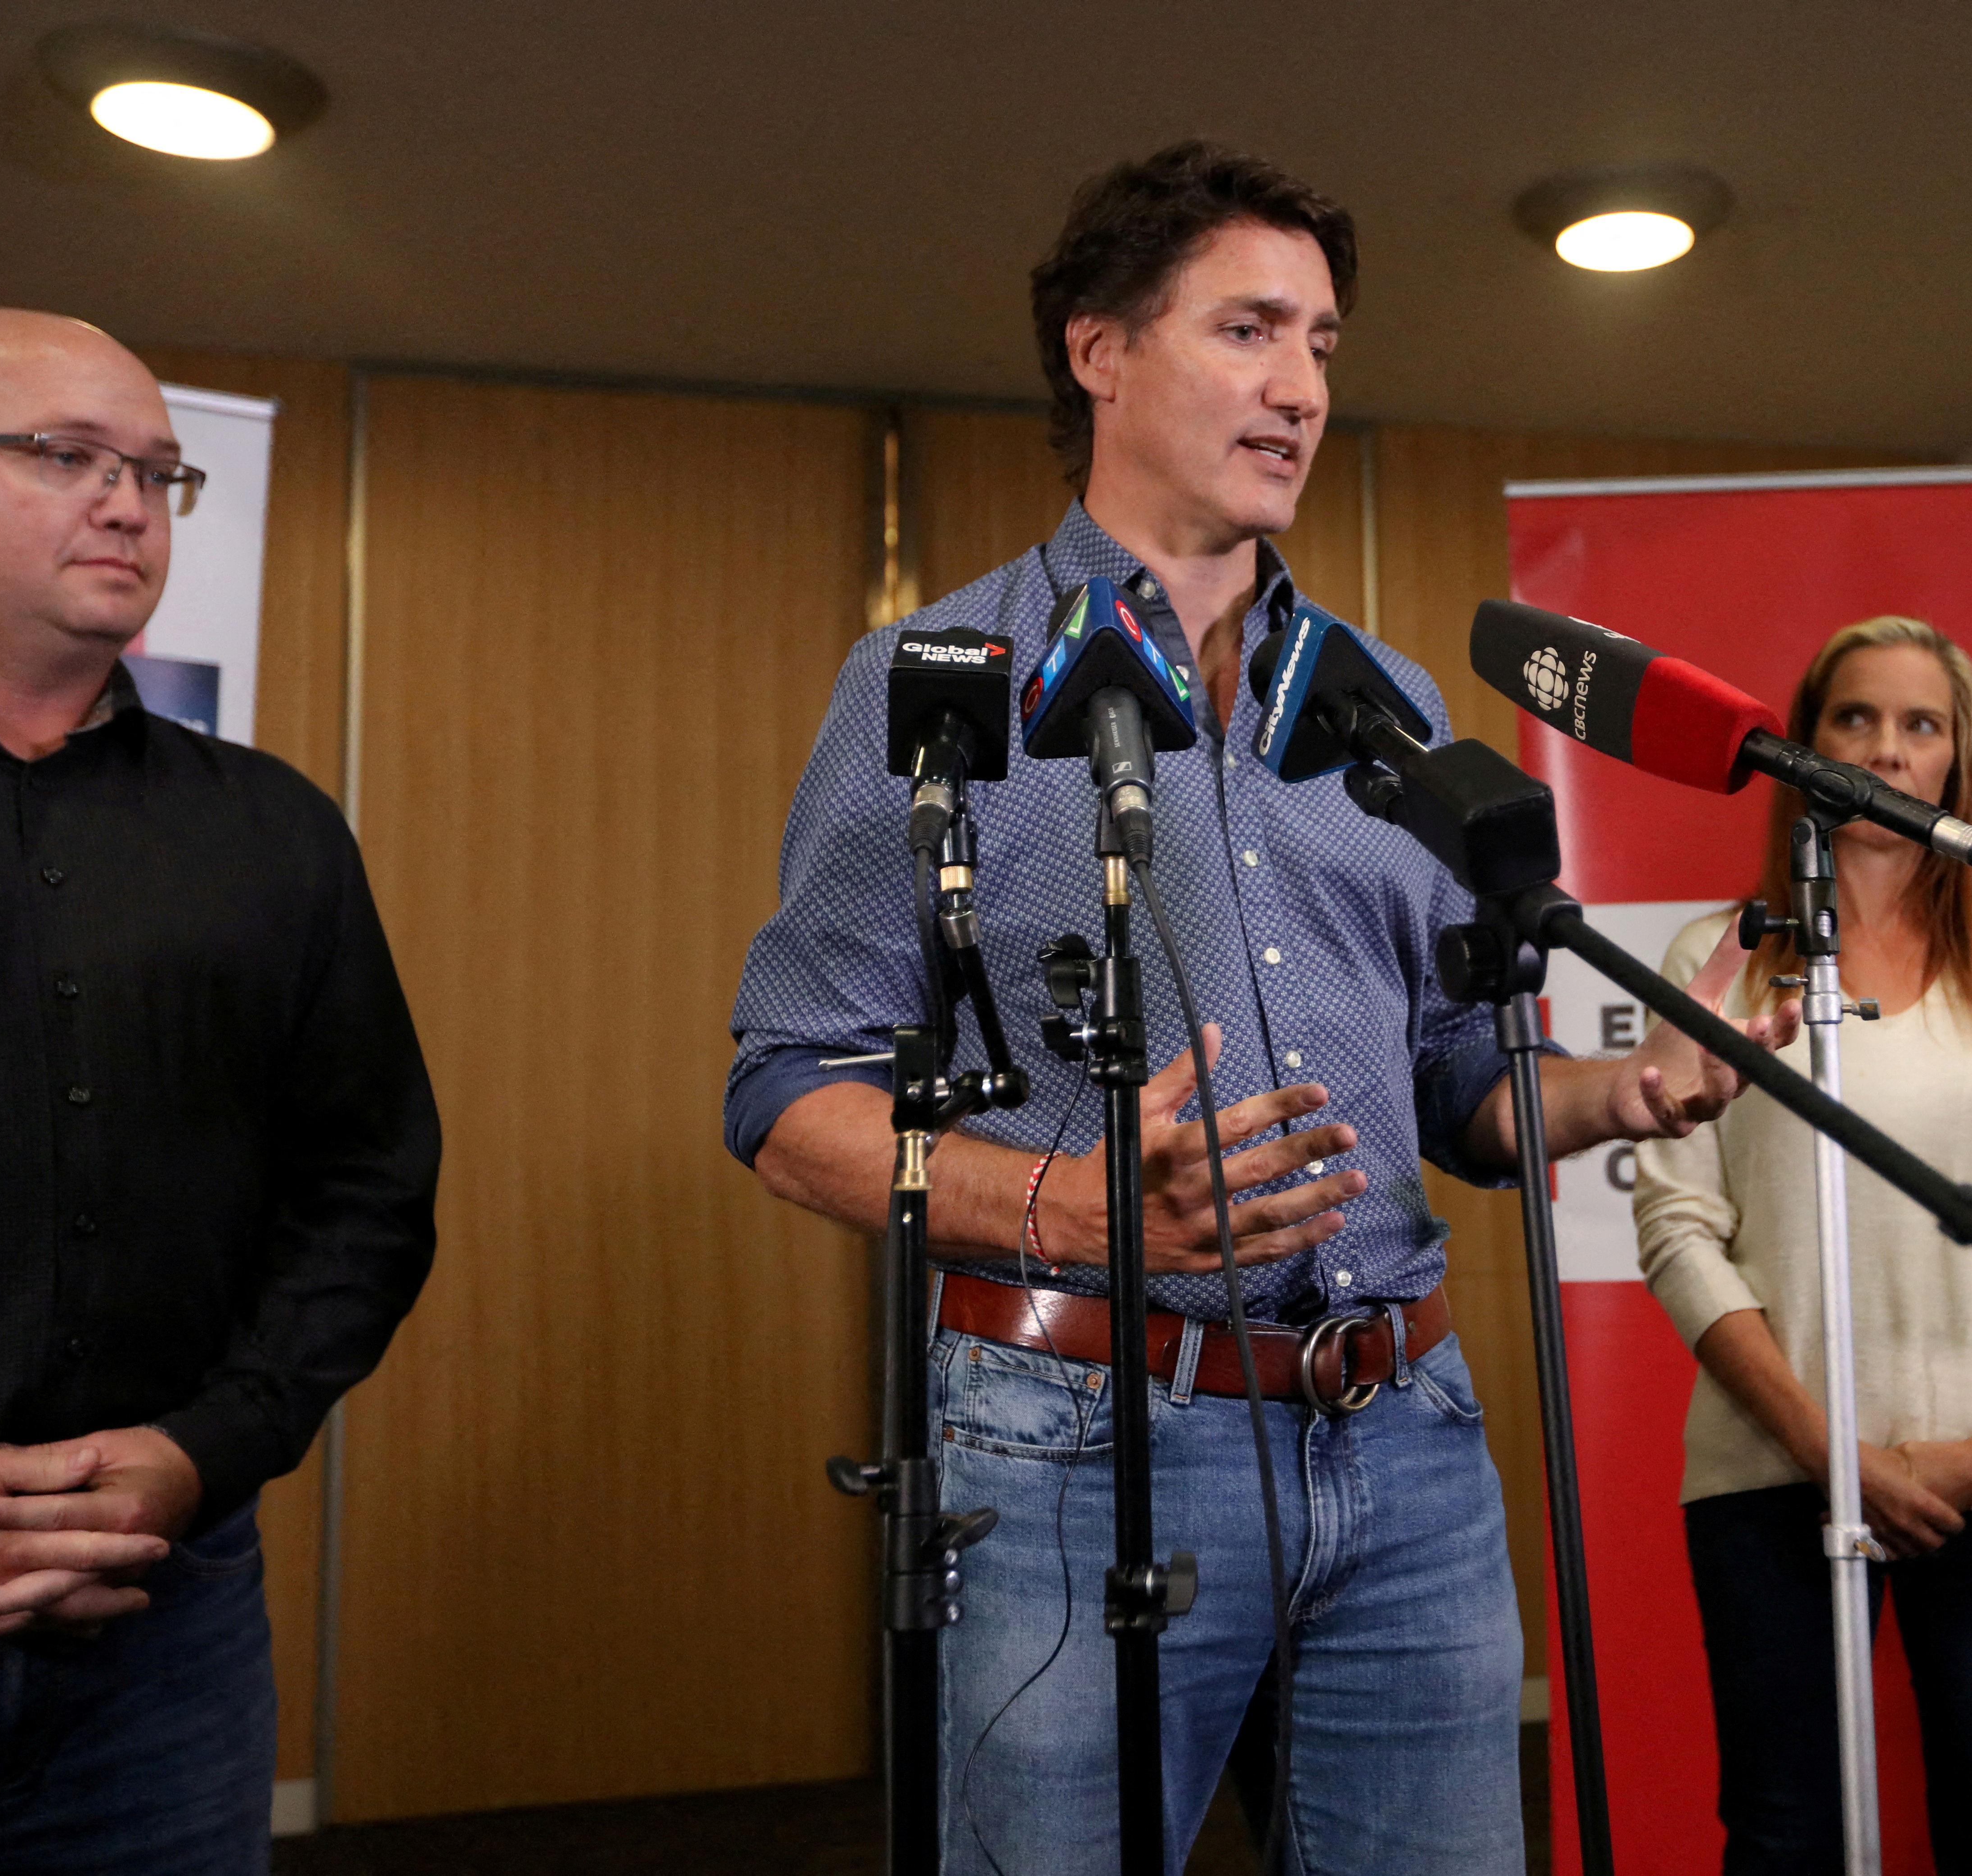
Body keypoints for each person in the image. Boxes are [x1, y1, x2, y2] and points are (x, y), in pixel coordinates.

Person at [725, 143, 1791, 1875]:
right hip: (1077, 1433)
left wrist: (1627, 1091)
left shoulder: (1381, 699)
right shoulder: (941, 679)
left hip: (1410, 1439)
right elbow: (788, 1095)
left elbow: (1458, 1085)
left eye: (1323, 344)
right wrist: (1079, 1205)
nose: (1299, 387)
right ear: (1100, 352)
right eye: (1248, 330)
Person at [0, 309, 440, 1868]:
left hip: (165, 1640)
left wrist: (201, 1451)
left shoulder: (275, 832)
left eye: (158, 474)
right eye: (65, 457)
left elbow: (368, 1194)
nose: (127, 503)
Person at [1633, 616, 1972, 1876]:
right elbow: (1680, 1224)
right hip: (1774, 1471)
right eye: (1856, 719)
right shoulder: (1720, 960)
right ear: (1805, 747)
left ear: (1957, 762)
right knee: (1786, 1832)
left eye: (1922, 726)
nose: (1888, 752)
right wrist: (1827, 1451)